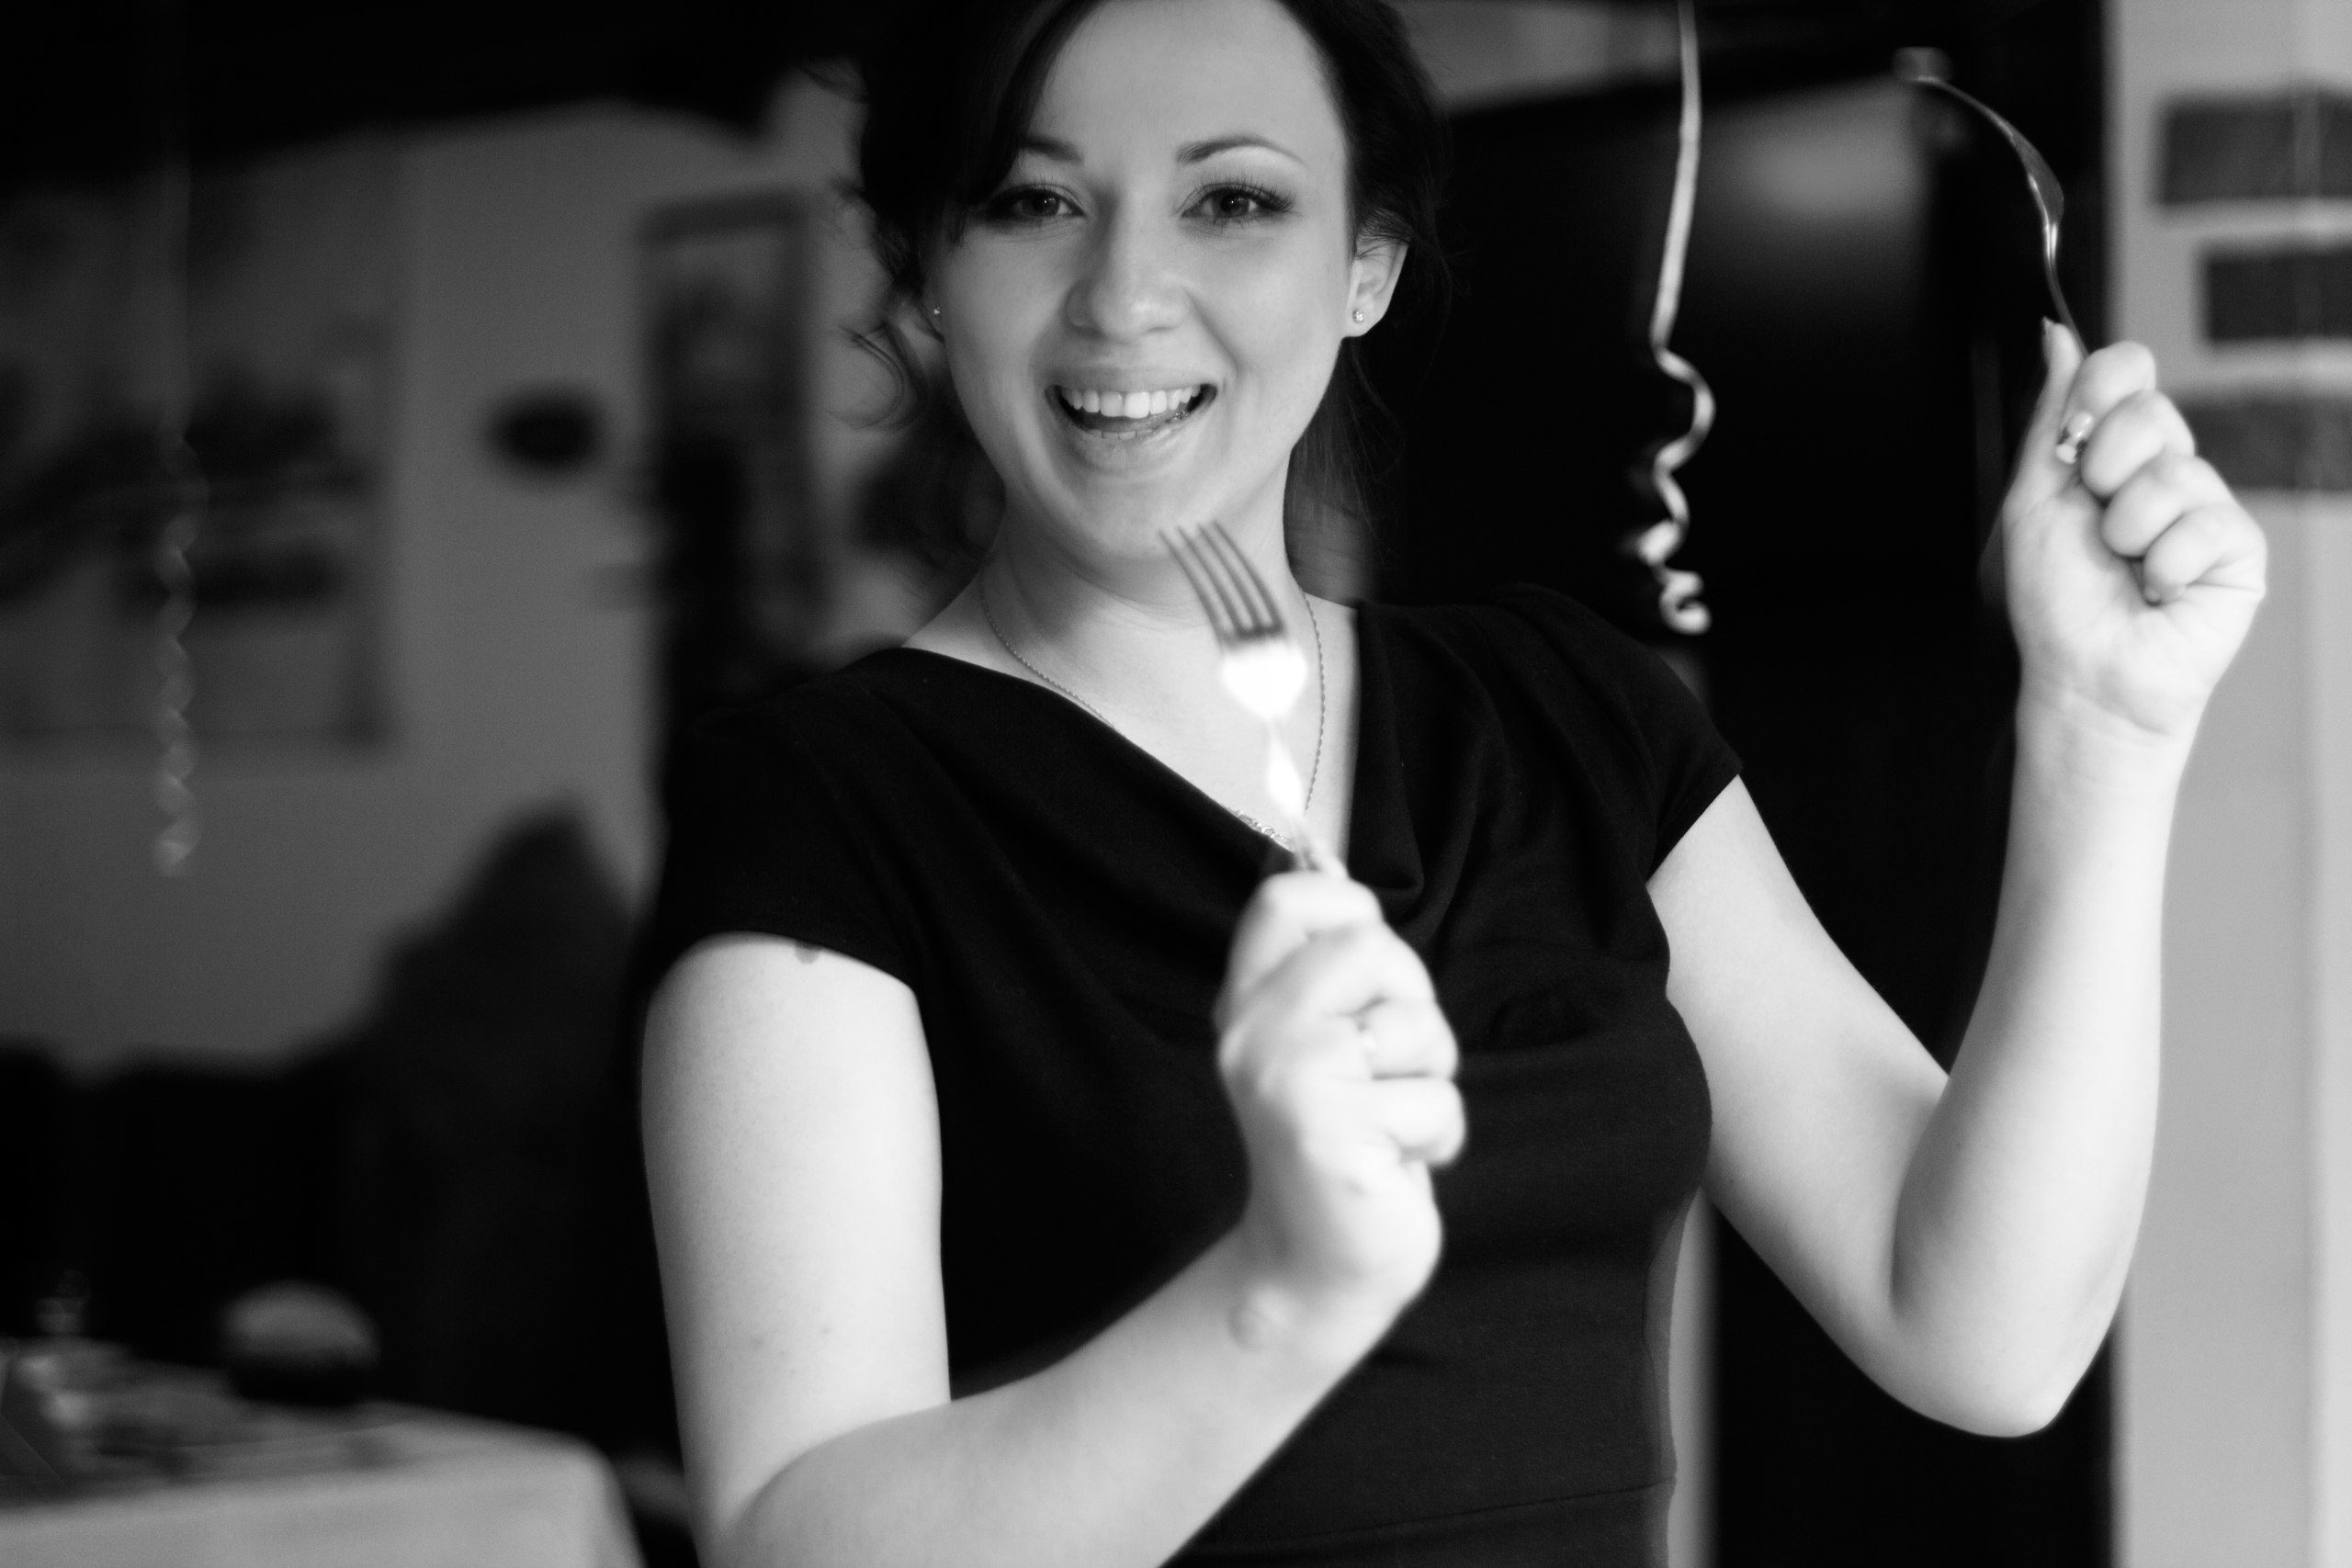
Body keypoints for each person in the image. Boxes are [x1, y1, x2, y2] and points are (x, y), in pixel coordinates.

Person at [637, 0, 2268, 1562]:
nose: (1125, 295)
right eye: (1035, 199)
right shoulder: (820, 808)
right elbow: (791, 1541)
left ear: (1366, 267)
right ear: (929, 270)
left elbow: (1980, 1333)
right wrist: (1279, 1294)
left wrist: (2106, 733)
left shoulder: (1574, 722)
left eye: (1232, 200)